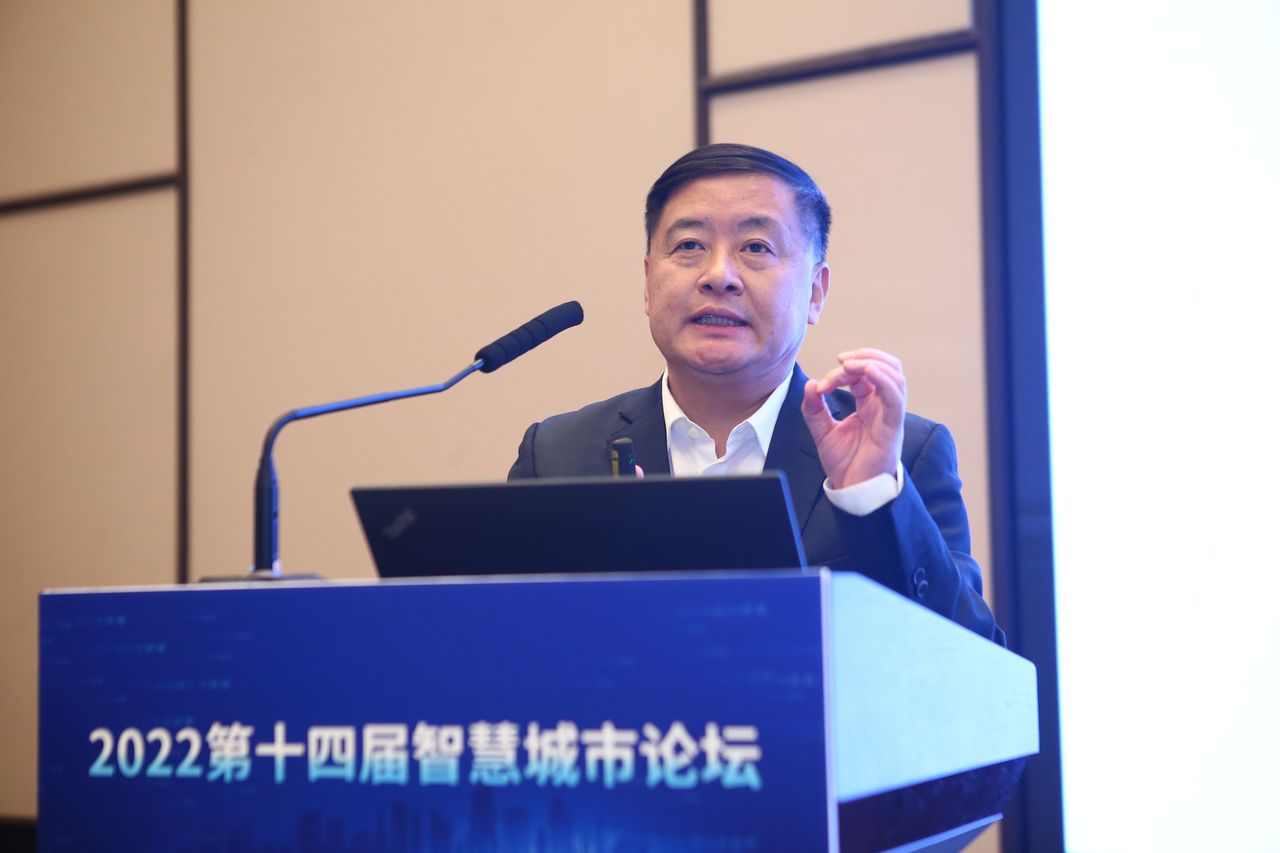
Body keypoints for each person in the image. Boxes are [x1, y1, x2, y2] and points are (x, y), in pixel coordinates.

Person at [508, 143, 1002, 644]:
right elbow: (500, 643)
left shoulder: (903, 457)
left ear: (816, 292)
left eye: (756, 248)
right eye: (689, 246)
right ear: (648, 281)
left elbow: (973, 660)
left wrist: (869, 497)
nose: (718, 276)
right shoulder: (559, 456)